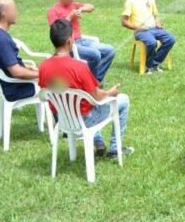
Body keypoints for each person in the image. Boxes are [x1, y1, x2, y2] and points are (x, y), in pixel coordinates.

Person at [39, 19, 132, 159]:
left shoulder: (43, 67)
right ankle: (114, 150)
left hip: (63, 120)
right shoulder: (79, 67)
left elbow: (51, 91)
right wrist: (110, 93)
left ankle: (99, 143)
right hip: (84, 120)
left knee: (86, 105)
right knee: (123, 100)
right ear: (70, 41)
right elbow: (97, 98)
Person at [47, 0, 115, 82]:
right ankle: (90, 82)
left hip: (82, 41)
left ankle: (96, 81)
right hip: (68, 45)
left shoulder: (73, 5)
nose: (72, 0)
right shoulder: (53, 11)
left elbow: (91, 7)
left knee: (110, 51)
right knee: (95, 55)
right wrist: (70, 17)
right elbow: (55, 31)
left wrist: (82, 9)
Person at [121, 0, 176, 74]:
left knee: (171, 39)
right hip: (141, 31)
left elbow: (156, 16)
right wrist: (138, 27)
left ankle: (154, 64)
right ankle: (148, 66)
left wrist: (158, 22)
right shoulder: (130, 1)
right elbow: (123, 22)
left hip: (154, 29)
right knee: (151, 42)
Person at [0, 0, 38, 101]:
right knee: (54, 84)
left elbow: (6, 62)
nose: (17, 13)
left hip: (8, 85)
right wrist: (41, 74)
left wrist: (27, 67)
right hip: (14, 89)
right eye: (14, 10)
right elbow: (17, 72)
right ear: (4, 13)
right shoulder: (2, 39)